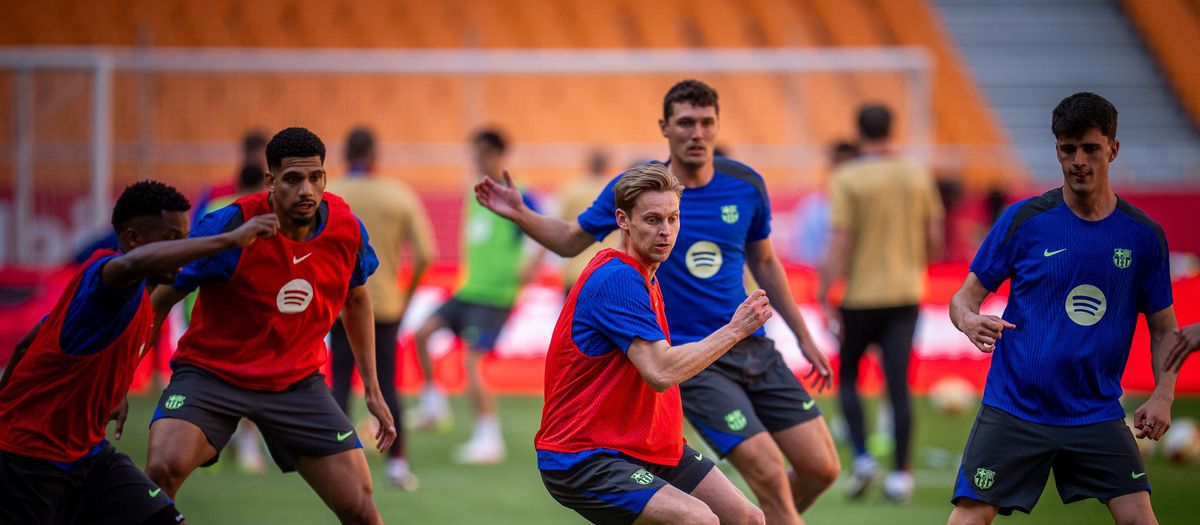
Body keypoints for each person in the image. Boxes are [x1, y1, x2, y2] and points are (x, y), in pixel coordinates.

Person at [476, 79, 839, 523]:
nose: (666, 231)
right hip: (678, 372)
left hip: (723, 374)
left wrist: (801, 336)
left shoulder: (739, 190)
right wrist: (522, 214)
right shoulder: (622, 270)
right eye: (686, 122)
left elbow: (764, 260)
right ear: (665, 127)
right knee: (748, 488)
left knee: (805, 479)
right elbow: (572, 242)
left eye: (673, 219)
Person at [947, 93, 1182, 524]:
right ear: (1057, 150)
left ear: (1113, 149)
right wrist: (968, 320)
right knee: (971, 517)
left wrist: (1163, 395)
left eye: (1090, 148)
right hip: (1015, 407)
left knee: (1140, 518)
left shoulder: (1143, 237)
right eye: (1067, 149)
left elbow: (1166, 328)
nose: (1078, 161)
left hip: (1095, 412)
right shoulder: (1024, 220)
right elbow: (964, 297)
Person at [144, 127, 397, 525]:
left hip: (296, 383)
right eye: (293, 179)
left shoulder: (346, 228)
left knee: (360, 508)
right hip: (213, 375)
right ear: (271, 180)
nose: (306, 190)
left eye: (315, 178)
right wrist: (118, 380)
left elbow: (356, 298)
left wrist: (372, 389)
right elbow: (160, 298)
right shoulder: (230, 224)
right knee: (162, 470)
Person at [0, 180, 278, 524]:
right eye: (173, 240)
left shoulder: (145, 298)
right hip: (29, 460)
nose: (183, 249)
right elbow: (130, 266)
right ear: (132, 240)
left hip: (88, 457)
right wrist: (230, 239)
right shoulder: (108, 275)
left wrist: (116, 388)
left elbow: (30, 341)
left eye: (185, 238)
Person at [536, 162, 767, 525]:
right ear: (623, 220)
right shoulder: (617, 279)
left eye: (673, 219)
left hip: (649, 448)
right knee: (698, 520)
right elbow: (660, 371)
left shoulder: (644, 274)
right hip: (586, 455)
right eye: (652, 220)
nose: (665, 231)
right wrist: (736, 329)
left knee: (747, 518)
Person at [818, 105, 944, 502]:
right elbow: (934, 238)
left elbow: (840, 240)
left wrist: (824, 291)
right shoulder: (916, 174)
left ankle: (861, 456)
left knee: (849, 378)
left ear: (859, 132)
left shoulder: (847, 176)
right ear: (893, 129)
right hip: (905, 294)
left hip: (859, 296)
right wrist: (914, 265)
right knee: (897, 384)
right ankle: (901, 475)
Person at [412, 128, 544, 464]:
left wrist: (533, 264)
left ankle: (489, 439)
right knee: (421, 333)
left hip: (495, 296)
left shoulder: (519, 193)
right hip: (468, 290)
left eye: (481, 153)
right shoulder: (476, 193)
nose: (475, 160)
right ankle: (433, 404)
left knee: (472, 363)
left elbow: (546, 226)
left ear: (497, 154)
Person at [327, 126, 436, 489]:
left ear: (345, 154)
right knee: (387, 383)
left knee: (340, 381)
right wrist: (406, 294)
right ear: (375, 154)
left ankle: (335, 462)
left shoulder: (331, 195)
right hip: (385, 305)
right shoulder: (398, 194)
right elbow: (426, 254)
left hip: (339, 303)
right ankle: (397, 464)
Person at [557, 150, 617, 294]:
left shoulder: (572, 189)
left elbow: (558, 226)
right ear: (606, 165)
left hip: (575, 271)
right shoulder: (615, 190)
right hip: (606, 272)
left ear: (589, 164)